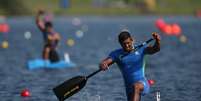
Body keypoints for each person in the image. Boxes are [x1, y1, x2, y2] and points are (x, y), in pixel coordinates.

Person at [99, 31, 160, 101]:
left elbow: (155, 49)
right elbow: (105, 62)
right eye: (124, 44)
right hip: (129, 88)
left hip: (142, 83)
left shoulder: (141, 49)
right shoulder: (116, 54)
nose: (127, 46)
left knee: (136, 86)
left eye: (128, 43)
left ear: (132, 40)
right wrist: (102, 65)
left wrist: (157, 41)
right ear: (120, 44)